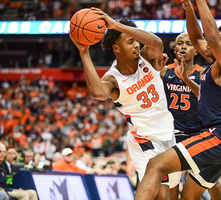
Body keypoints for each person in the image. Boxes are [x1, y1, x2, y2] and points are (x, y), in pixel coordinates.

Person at [134, 0, 221, 198]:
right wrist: (188, 8)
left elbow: (210, 36)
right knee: (188, 197)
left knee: (156, 165)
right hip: (220, 139)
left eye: (212, 43)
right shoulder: (214, 67)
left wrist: (200, 2)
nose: (204, 45)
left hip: (218, 136)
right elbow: (196, 37)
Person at [69, 8, 179, 199]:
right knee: (161, 194)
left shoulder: (146, 57)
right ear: (116, 48)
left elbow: (157, 43)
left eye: (135, 40)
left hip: (168, 133)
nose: (136, 45)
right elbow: (97, 92)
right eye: (130, 42)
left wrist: (117, 25)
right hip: (145, 139)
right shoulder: (113, 79)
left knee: (167, 195)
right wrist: (84, 52)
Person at [160, 32, 221, 200]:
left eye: (188, 44)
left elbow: (209, 98)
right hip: (172, 135)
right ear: (174, 50)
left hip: (197, 134)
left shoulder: (203, 73)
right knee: (171, 187)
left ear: (196, 51)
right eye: (180, 43)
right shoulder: (164, 72)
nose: (183, 46)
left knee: (217, 184)